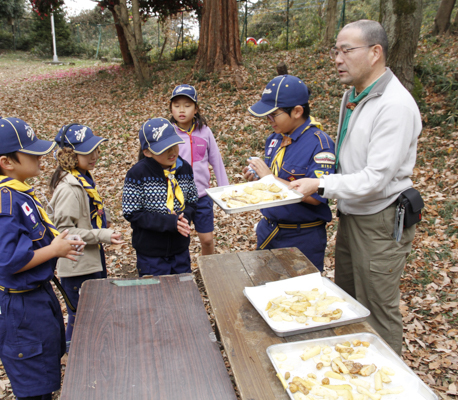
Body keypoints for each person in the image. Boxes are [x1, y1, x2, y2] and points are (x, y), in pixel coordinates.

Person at [289, 20, 422, 355]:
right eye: (336, 50)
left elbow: (377, 177)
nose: (337, 58)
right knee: (347, 298)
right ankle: (353, 369)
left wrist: (320, 183)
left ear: (375, 53)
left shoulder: (395, 105)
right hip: (352, 212)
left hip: (380, 219)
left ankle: (388, 381)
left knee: (377, 308)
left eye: (346, 50)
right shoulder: (354, 95)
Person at [0, 117, 85, 400]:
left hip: (37, 298)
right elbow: (7, 261)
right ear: (6, 162)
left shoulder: (19, 194)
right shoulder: (3, 203)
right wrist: (54, 251)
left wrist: (58, 242)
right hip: (20, 308)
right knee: (34, 388)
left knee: (46, 372)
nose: (41, 156)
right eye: (32, 152)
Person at [244, 75, 335, 272]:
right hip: (269, 230)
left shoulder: (320, 145)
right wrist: (258, 176)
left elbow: (317, 197)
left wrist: (270, 178)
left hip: (301, 237)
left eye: (273, 115)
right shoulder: (275, 139)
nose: (269, 121)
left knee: (299, 297)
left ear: (297, 111)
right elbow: (273, 179)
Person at [49, 123, 124, 351]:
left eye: (96, 150)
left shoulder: (82, 178)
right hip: (77, 265)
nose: (95, 156)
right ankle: (73, 356)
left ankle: (91, 351)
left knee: (93, 311)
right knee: (80, 315)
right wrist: (102, 234)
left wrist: (104, 218)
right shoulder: (69, 187)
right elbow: (65, 232)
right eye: (87, 152)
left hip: (90, 258)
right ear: (69, 155)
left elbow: (88, 209)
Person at [122, 118, 198, 276]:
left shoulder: (184, 169)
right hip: (151, 253)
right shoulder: (137, 174)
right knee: (155, 295)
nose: (172, 152)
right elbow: (132, 213)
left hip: (180, 249)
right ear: (147, 152)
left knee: (181, 290)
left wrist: (186, 216)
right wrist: (169, 222)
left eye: (174, 145)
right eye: (164, 149)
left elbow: (192, 200)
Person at [169, 84, 229, 256]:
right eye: (177, 105)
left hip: (202, 196)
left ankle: (209, 272)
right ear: (171, 109)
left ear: (196, 109)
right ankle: (182, 273)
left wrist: (225, 190)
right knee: (179, 239)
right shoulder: (169, 134)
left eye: (187, 106)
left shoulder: (205, 132)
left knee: (207, 240)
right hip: (178, 197)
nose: (182, 110)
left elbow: (216, 160)